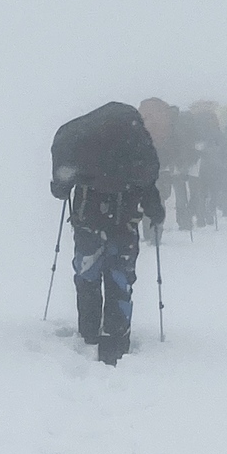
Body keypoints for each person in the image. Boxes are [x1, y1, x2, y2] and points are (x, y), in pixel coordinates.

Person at [50, 101, 164, 365]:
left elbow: (60, 189)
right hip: (124, 224)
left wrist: (64, 186)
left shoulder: (84, 145)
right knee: (120, 280)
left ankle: (88, 330)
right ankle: (115, 339)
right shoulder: (137, 148)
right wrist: (155, 212)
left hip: (88, 219)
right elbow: (148, 185)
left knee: (87, 274)